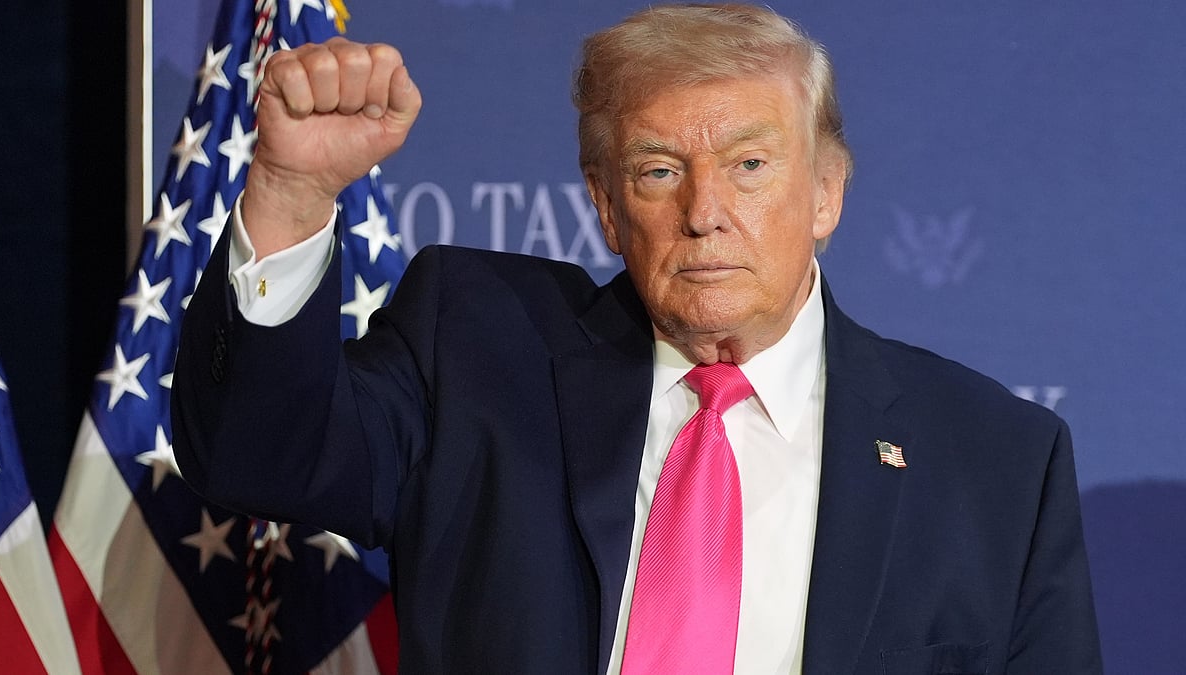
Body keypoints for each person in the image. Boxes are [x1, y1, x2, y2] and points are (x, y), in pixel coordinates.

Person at [172, 4, 1102, 673]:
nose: (705, 212)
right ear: (608, 208)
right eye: (659, 170)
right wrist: (293, 195)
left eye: (749, 164)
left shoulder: (994, 461)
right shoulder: (478, 349)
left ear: (826, 193)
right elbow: (260, 455)